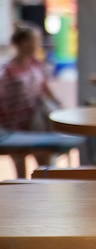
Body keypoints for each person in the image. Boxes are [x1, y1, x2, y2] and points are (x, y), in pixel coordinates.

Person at [0, 25, 63, 176]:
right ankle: (23, 191)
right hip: (14, 121)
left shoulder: (37, 65)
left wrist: (58, 106)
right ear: (22, 43)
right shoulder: (7, 70)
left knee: (43, 158)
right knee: (19, 160)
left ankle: (41, 189)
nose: (36, 45)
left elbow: (44, 89)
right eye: (33, 41)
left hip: (36, 120)